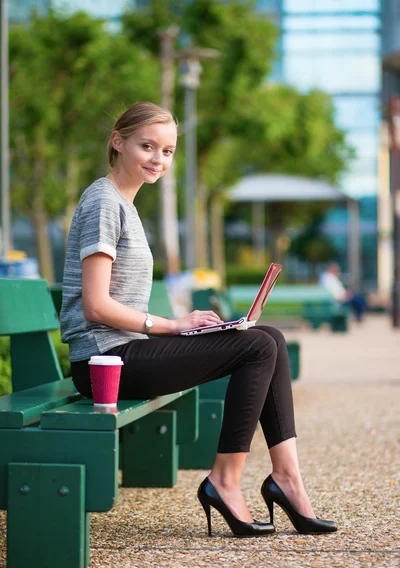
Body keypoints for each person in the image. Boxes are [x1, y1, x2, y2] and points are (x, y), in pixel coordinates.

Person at [60, 102, 336, 537]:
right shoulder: (103, 202)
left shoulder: (124, 205)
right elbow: (95, 306)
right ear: (118, 141)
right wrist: (172, 325)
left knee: (269, 338)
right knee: (258, 346)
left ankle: (287, 479)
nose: (157, 159)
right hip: (103, 364)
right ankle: (224, 482)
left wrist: (181, 324)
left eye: (167, 151)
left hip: (125, 353)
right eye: (147, 146)